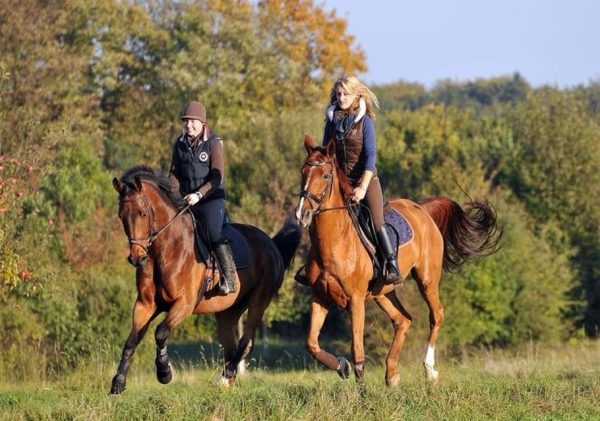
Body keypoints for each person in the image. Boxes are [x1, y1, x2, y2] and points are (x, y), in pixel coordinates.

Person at [322, 75, 400, 283]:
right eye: (338, 94)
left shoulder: (365, 122)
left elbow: (371, 157)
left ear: (356, 95)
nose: (341, 98)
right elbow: (326, 152)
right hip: (341, 181)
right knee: (322, 215)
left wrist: (363, 188)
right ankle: (316, 263)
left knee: (376, 221)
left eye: (345, 94)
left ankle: (391, 262)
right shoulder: (331, 120)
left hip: (366, 180)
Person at [169, 100, 236, 295]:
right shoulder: (179, 144)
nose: (188, 125)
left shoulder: (214, 143)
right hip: (186, 198)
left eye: (193, 121)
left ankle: (229, 276)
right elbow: (174, 173)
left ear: (202, 122)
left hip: (210, 199)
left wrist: (199, 194)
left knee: (214, 232)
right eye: (185, 121)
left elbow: (217, 177)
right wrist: (171, 195)